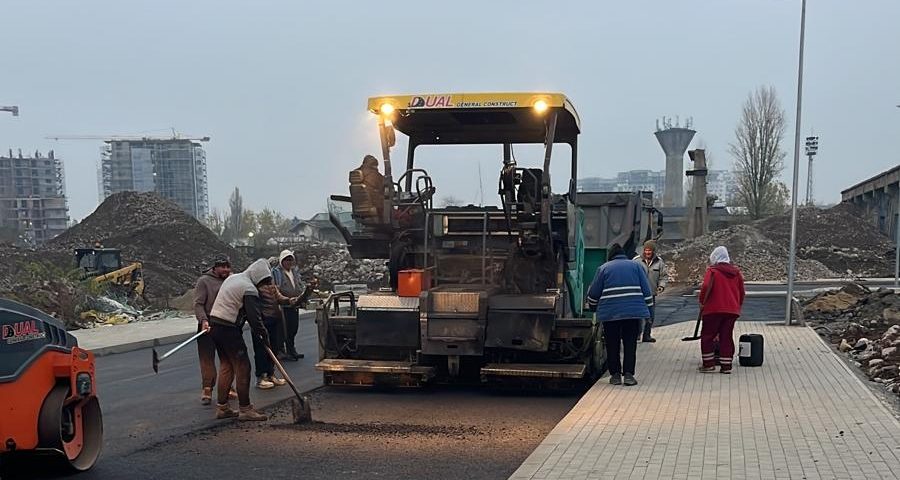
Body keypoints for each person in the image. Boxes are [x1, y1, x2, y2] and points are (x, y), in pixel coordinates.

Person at [207, 259, 273, 421]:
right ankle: (245, 409)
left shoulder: (233, 278)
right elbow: (254, 318)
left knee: (227, 366)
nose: (262, 286)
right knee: (243, 367)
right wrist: (264, 336)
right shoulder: (249, 288)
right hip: (228, 328)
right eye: (262, 283)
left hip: (215, 324)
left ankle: (222, 408)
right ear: (257, 277)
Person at [586, 243, 653, 387]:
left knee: (612, 344)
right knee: (630, 344)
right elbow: (647, 291)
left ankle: (615, 375)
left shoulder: (603, 268)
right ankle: (628, 375)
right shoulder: (636, 267)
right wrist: (649, 313)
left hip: (611, 314)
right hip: (633, 314)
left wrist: (593, 307)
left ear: (611, 255)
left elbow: (594, 293)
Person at [193, 254, 237, 405]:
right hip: (208, 325)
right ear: (215, 267)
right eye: (222, 267)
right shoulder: (204, 281)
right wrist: (203, 320)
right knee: (207, 358)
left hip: (226, 325)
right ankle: (207, 388)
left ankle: (227, 386)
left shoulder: (232, 280)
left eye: (227, 267)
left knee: (227, 358)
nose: (225, 269)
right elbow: (198, 304)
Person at [698, 246, 745, 374]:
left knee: (708, 336)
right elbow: (742, 292)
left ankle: (708, 364)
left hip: (713, 310)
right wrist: (737, 306)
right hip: (731, 311)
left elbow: (706, 286)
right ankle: (726, 366)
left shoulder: (712, 271)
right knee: (726, 337)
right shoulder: (736, 273)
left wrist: (702, 302)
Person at [272, 249, 317, 360]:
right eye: (286, 260)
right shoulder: (277, 272)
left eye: (290, 260)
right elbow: (275, 289)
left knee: (293, 328)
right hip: (283, 306)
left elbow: (299, 285)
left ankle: (291, 349)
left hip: (294, 304)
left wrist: (304, 295)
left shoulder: (294, 272)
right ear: (282, 261)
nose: (289, 262)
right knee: (283, 330)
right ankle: (281, 351)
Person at [253, 282, 295, 389]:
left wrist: (288, 300)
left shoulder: (271, 284)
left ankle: (271, 374)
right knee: (261, 351)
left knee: (274, 348)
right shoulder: (254, 287)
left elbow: (278, 297)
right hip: (262, 321)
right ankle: (261, 377)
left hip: (274, 319)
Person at [633, 240, 668, 343]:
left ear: (653, 251)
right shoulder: (636, 261)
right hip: (638, 294)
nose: (647, 252)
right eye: (646, 250)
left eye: (650, 250)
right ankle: (637, 334)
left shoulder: (659, 262)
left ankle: (647, 335)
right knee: (637, 315)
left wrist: (661, 286)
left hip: (651, 293)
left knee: (650, 315)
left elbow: (663, 276)